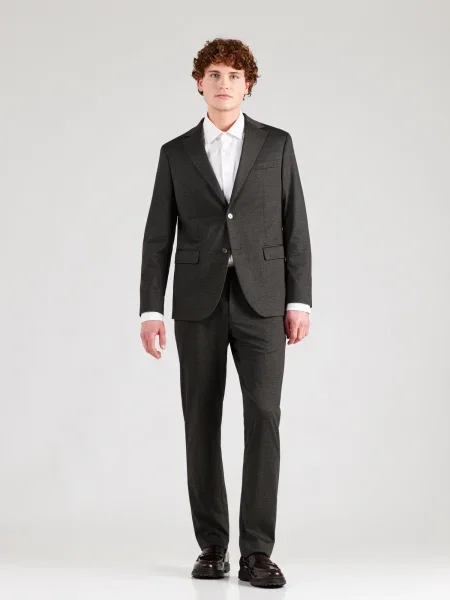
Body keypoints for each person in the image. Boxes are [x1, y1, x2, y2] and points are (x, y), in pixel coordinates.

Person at [139, 38, 312, 589]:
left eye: (234, 76)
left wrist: (299, 300)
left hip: (263, 302)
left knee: (263, 418)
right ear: (199, 83)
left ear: (248, 85)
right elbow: (157, 236)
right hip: (198, 303)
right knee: (201, 420)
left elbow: (295, 225)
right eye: (214, 74)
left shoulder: (276, 144)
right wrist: (150, 310)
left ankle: (257, 552)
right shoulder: (175, 153)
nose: (223, 84)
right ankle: (212, 546)